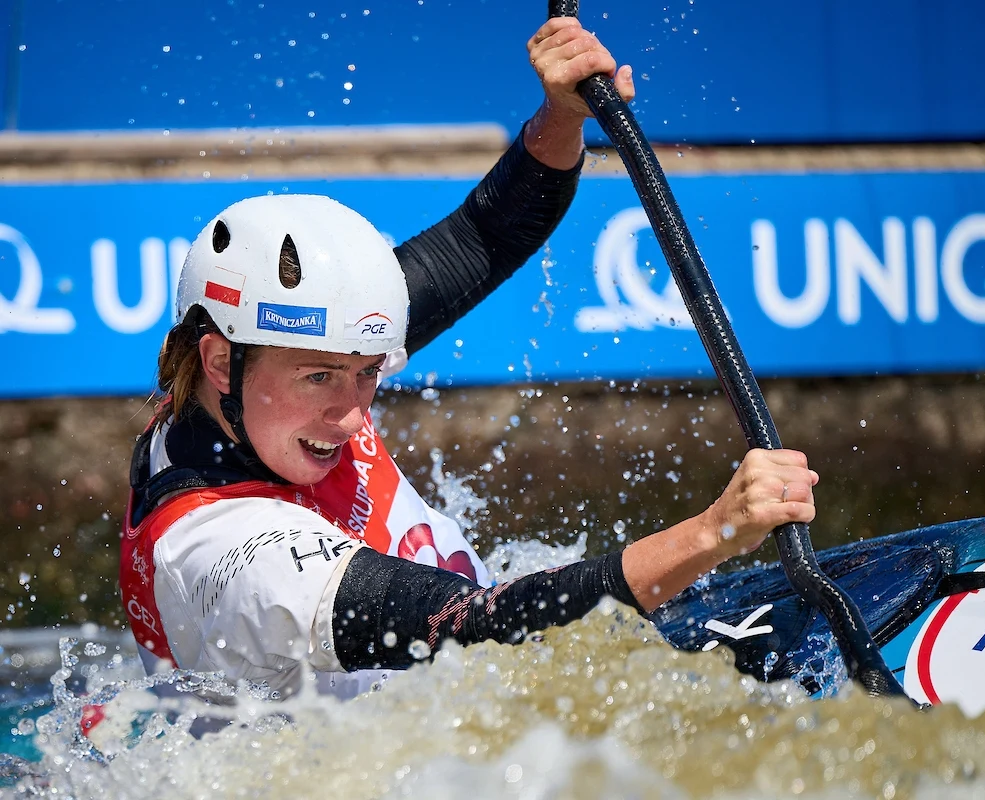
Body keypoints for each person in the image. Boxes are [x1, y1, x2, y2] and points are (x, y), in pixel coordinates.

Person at [120, 18, 818, 699]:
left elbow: (482, 236)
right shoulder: (229, 555)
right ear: (219, 363)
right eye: (321, 377)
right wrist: (715, 531)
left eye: (369, 371)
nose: (353, 408)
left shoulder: (269, 374)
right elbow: (482, 624)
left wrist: (563, 113)